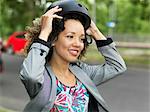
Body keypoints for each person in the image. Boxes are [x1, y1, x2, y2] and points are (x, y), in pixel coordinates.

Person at [19, 0, 127, 112]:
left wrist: (95, 32)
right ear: (53, 39)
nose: (78, 44)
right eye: (70, 36)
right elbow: (30, 76)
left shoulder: (82, 73)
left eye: (82, 39)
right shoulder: (41, 77)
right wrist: (45, 32)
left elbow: (117, 66)